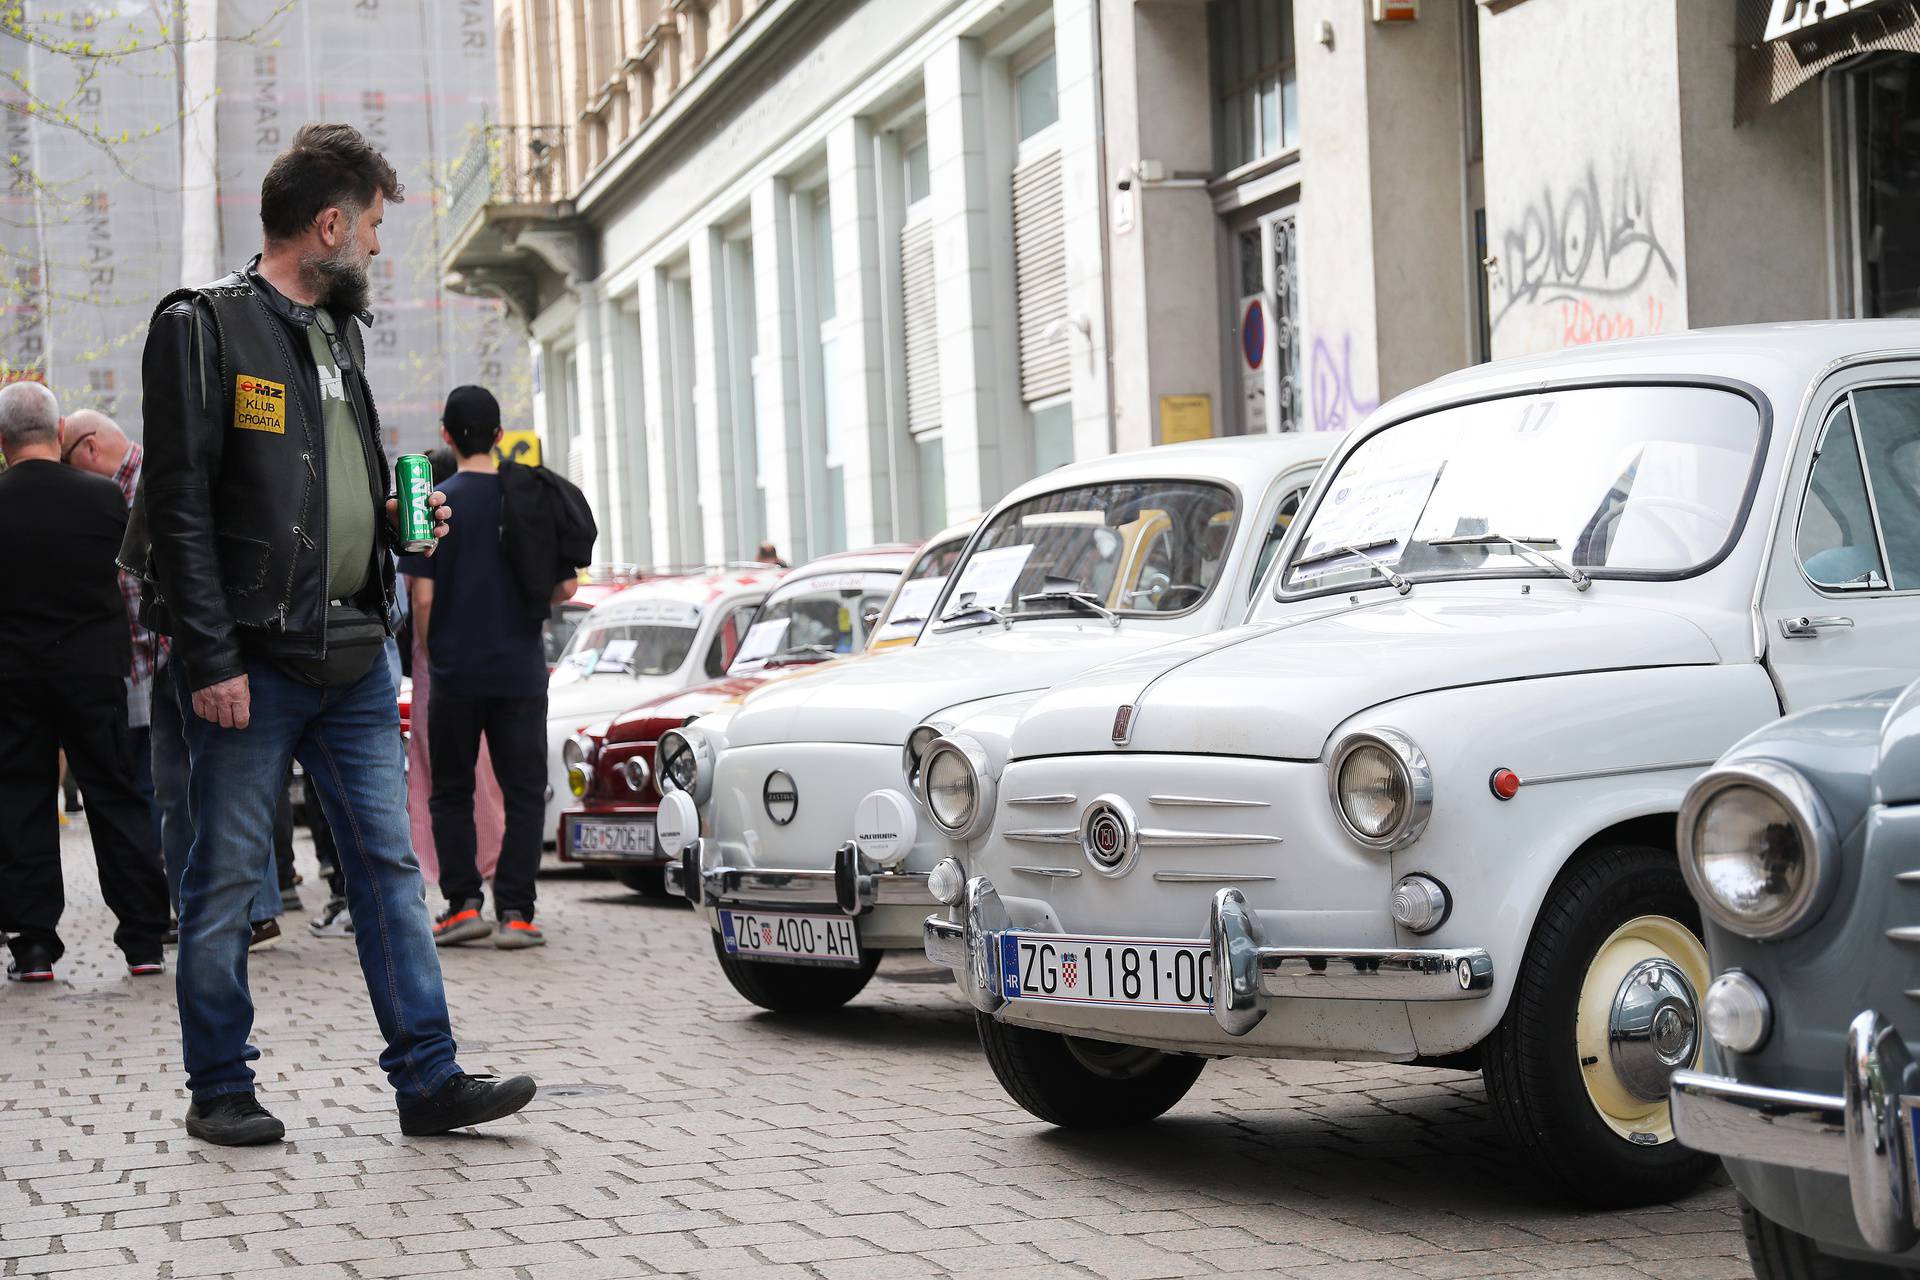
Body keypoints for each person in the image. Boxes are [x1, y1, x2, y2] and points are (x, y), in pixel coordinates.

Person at [126, 122, 535, 1146]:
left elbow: (329, 488)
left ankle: (429, 1078)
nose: (379, 247)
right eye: (374, 227)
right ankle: (220, 1082)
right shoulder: (204, 326)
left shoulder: (339, 335)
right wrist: (210, 657)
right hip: (249, 668)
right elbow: (177, 506)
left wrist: (406, 523)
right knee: (224, 878)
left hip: (354, 655)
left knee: (390, 872)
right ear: (328, 223)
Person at [67, 410, 285, 949]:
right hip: (174, 658)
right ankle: (218, 910)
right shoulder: (136, 480)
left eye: (70, 462)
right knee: (191, 788)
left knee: (213, 785)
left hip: (190, 654)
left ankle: (239, 910)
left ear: (90, 448)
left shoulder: (148, 482)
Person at [0, 383, 172, 982]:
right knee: (114, 793)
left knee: (22, 798)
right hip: (96, 671)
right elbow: (138, 585)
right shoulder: (105, 500)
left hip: (14, 675)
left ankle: (34, 944)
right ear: (55, 434)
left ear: (3, 444)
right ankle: (144, 938)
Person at [405, 387, 576, 950]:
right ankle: (518, 913)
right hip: (521, 672)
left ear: (447, 436)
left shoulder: (433, 502)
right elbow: (567, 585)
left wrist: (435, 653)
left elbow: (422, 599)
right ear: (500, 435)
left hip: (457, 674)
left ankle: (462, 906)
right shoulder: (527, 496)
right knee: (525, 790)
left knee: (451, 790)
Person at [402, 446, 507, 900]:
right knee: (488, 772)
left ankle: (448, 878)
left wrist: (430, 651)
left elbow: (419, 602)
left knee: (439, 778)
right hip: (491, 661)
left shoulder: (427, 525)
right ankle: (496, 864)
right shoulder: (494, 514)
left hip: (439, 666)